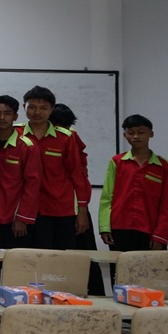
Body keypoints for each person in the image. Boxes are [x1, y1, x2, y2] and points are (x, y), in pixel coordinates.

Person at [19, 85, 91, 250]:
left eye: (43, 108)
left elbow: (77, 175)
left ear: (51, 110)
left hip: (61, 209)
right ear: (24, 107)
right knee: (30, 258)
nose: (37, 112)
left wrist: (82, 211)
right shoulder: (15, 133)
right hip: (27, 210)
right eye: (32, 107)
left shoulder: (65, 137)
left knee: (61, 259)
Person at [0, 95, 41, 288]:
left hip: (16, 219)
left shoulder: (27, 146)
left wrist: (22, 217)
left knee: (17, 264)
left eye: (7, 113)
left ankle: (19, 302)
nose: (2, 117)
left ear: (15, 116)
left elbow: (32, 185)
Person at [99, 115, 168, 255]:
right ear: (125, 135)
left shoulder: (163, 166)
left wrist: (160, 235)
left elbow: (166, 204)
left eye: (141, 132)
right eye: (131, 132)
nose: (135, 136)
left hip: (150, 230)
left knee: (149, 268)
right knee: (119, 267)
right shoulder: (117, 162)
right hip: (119, 228)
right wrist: (105, 227)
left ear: (151, 134)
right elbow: (107, 197)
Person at [51, 103, 105, 295]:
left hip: (74, 206)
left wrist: (82, 209)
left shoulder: (70, 139)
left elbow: (79, 176)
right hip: (60, 205)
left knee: (82, 254)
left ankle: (92, 293)